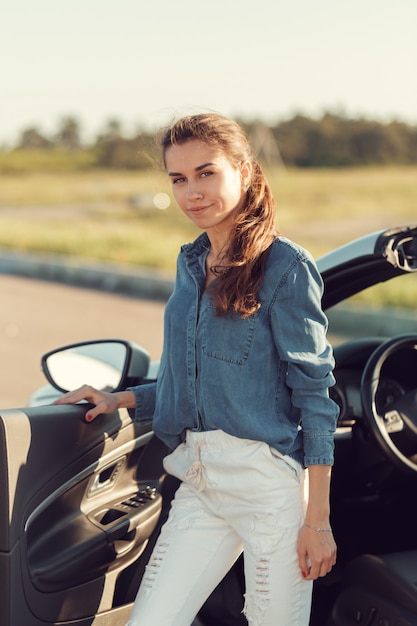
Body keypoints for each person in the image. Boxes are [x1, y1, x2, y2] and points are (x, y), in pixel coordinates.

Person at [54, 113, 339, 626]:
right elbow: (192, 378)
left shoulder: (286, 267)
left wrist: (316, 520)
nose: (192, 192)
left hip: (267, 490)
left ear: (245, 172)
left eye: (206, 173)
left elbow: (316, 398)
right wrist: (121, 399)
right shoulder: (189, 264)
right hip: (200, 481)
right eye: (178, 179)